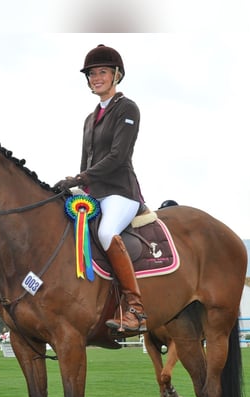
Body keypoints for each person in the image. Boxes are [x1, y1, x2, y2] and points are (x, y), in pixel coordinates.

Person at [55, 44, 147, 335]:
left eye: (103, 72)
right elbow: (88, 160)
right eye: (92, 74)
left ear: (116, 75)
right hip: (94, 193)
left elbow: (117, 157)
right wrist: (76, 186)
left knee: (107, 232)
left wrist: (81, 177)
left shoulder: (127, 108)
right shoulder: (89, 118)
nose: (96, 78)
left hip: (121, 192)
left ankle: (135, 309)